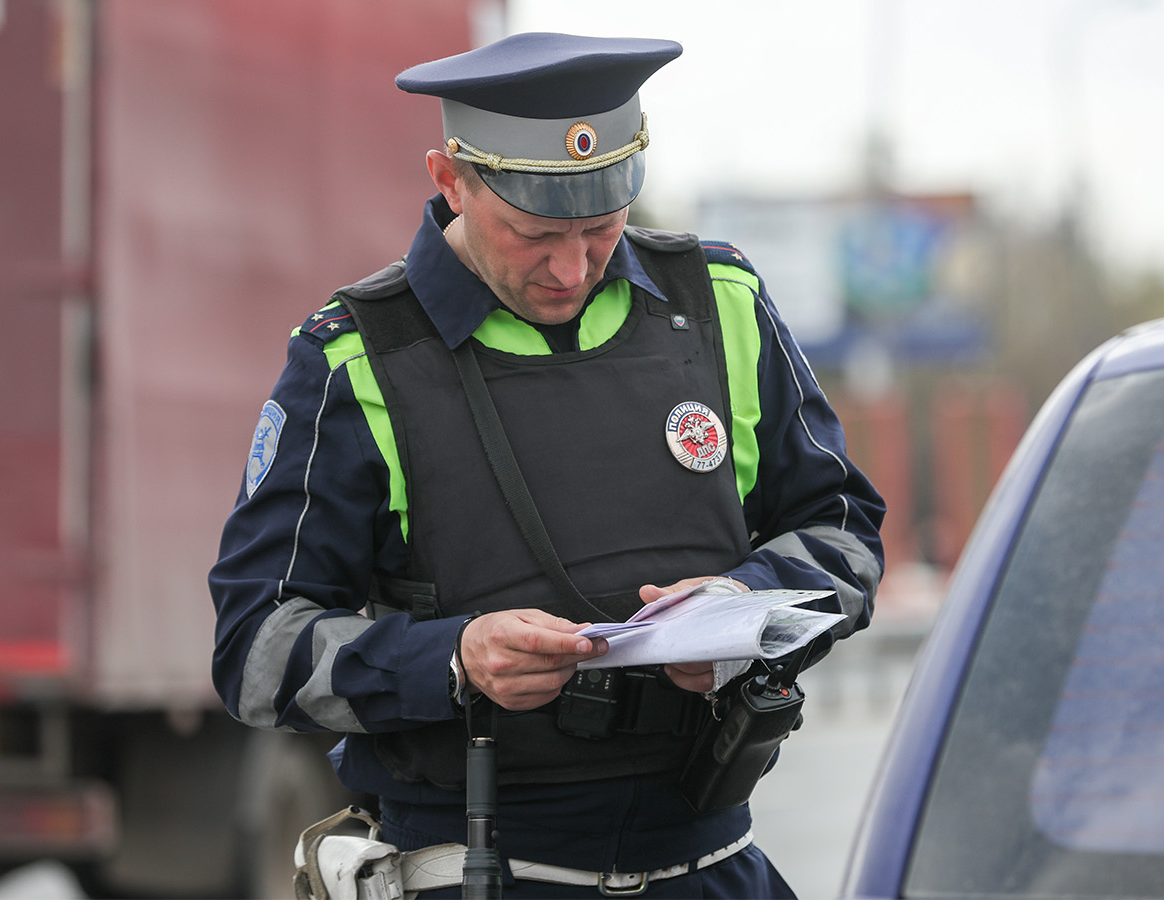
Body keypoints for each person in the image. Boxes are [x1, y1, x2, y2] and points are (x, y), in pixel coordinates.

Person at [210, 31, 885, 898]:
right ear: (450, 180)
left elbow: (845, 534)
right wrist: (452, 659)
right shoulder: (354, 360)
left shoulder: (722, 304)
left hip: (714, 866)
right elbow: (255, 649)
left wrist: (744, 611)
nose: (571, 269)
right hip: (481, 874)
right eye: (532, 232)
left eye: (601, 228)